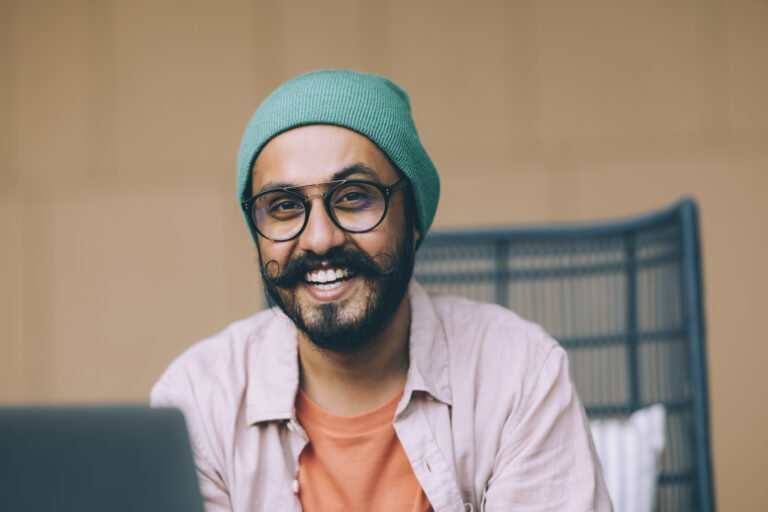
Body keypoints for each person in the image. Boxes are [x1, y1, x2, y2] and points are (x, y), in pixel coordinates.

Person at [151, 70, 612, 512]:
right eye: (285, 207)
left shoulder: (519, 375)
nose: (319, 239)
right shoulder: (196, 401)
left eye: (353, 196)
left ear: (413, 219)